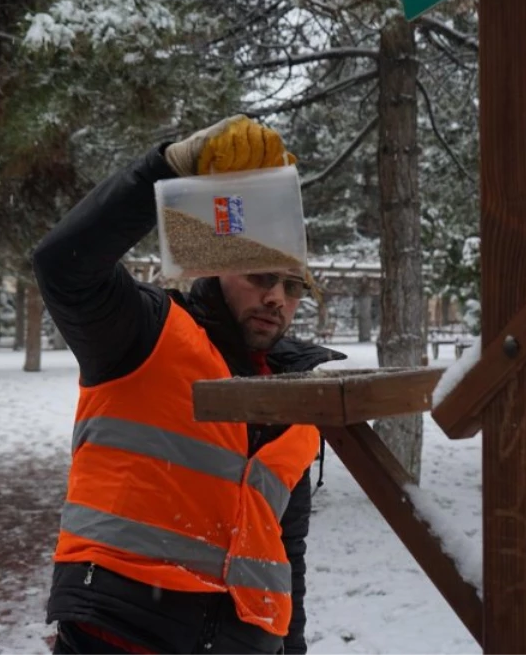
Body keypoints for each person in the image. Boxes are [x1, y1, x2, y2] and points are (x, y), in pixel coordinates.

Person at [33, 115, 346, 655]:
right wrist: (166, 168)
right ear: (221, 266)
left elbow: (285, 552)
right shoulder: (147, 333)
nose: (277, 297)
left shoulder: (297, 398)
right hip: (121, 634)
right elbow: (63, 265)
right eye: (261, 277)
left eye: (293, 286)